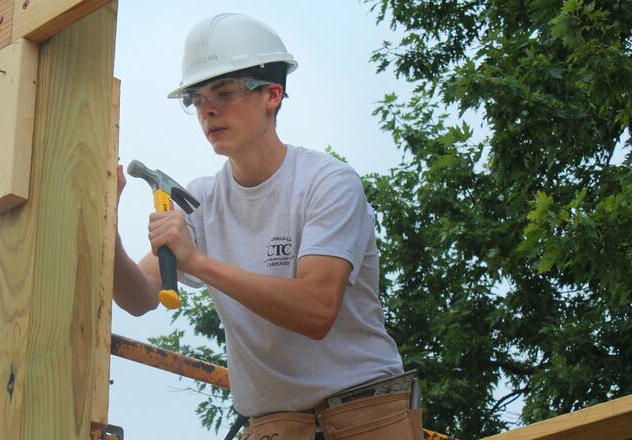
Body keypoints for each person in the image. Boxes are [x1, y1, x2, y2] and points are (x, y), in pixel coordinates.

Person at [113, 13, 421, 440]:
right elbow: (138, 296)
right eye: (197, 99)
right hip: (275, 427)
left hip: (364, 417)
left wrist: (199, 262)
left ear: (272, 95)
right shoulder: (203, 202)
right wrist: (103, 222)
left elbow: (316, 310)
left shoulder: (326, 182)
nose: (208, 110)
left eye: (223, 92)